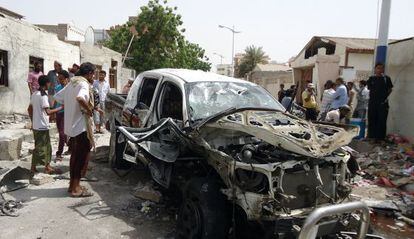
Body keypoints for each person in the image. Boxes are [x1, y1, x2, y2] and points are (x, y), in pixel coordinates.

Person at [54, 62, 96, 197]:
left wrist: (71, 106)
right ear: (89, 73)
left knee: (75, 157)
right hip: (81, 127)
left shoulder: (72, 82)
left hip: (71, 126)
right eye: (93, 74)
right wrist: (89, 110)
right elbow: (80, 98)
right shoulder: (83, 83)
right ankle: (75, 189)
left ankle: (72, 185)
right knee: (81, 158)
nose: (93, 77)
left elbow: (58, 97)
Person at [28, 76, 63, 174]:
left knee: (45, 146)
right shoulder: (43, 96)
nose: (50, 85)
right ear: (47, 83)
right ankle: (35, 167)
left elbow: (29, 109)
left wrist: (32, 121)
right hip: (42, 126)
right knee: (41, 148)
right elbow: (48, 111)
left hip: (37, 125)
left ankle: (46, 166)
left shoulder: (34, 94)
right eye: (49, 83)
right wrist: (61, 108)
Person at [367, 63, 393, 141]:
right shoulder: (371, 79)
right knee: (372, 119)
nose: (379, 70)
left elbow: (390, 89)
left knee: (381, 121)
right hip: (372, 103)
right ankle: (371, 137)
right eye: (378, 68)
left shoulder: (386, 79)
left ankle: (380, 139)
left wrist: (384, 97)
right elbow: (370, 89)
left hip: (383, 104)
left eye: (381, 68)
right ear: (375, 69)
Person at [54, 70, 69, 161]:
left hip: (67, 112)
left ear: (66, 78)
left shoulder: (70, 88)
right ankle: (68, 146)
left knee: (63, 133)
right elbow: (56, 98)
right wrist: (53, 109)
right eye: (59, 79)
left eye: (61, 79)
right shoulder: (58, 87)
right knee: (62, 133)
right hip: (59, 112)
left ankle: (59, 153)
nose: (60, 80)